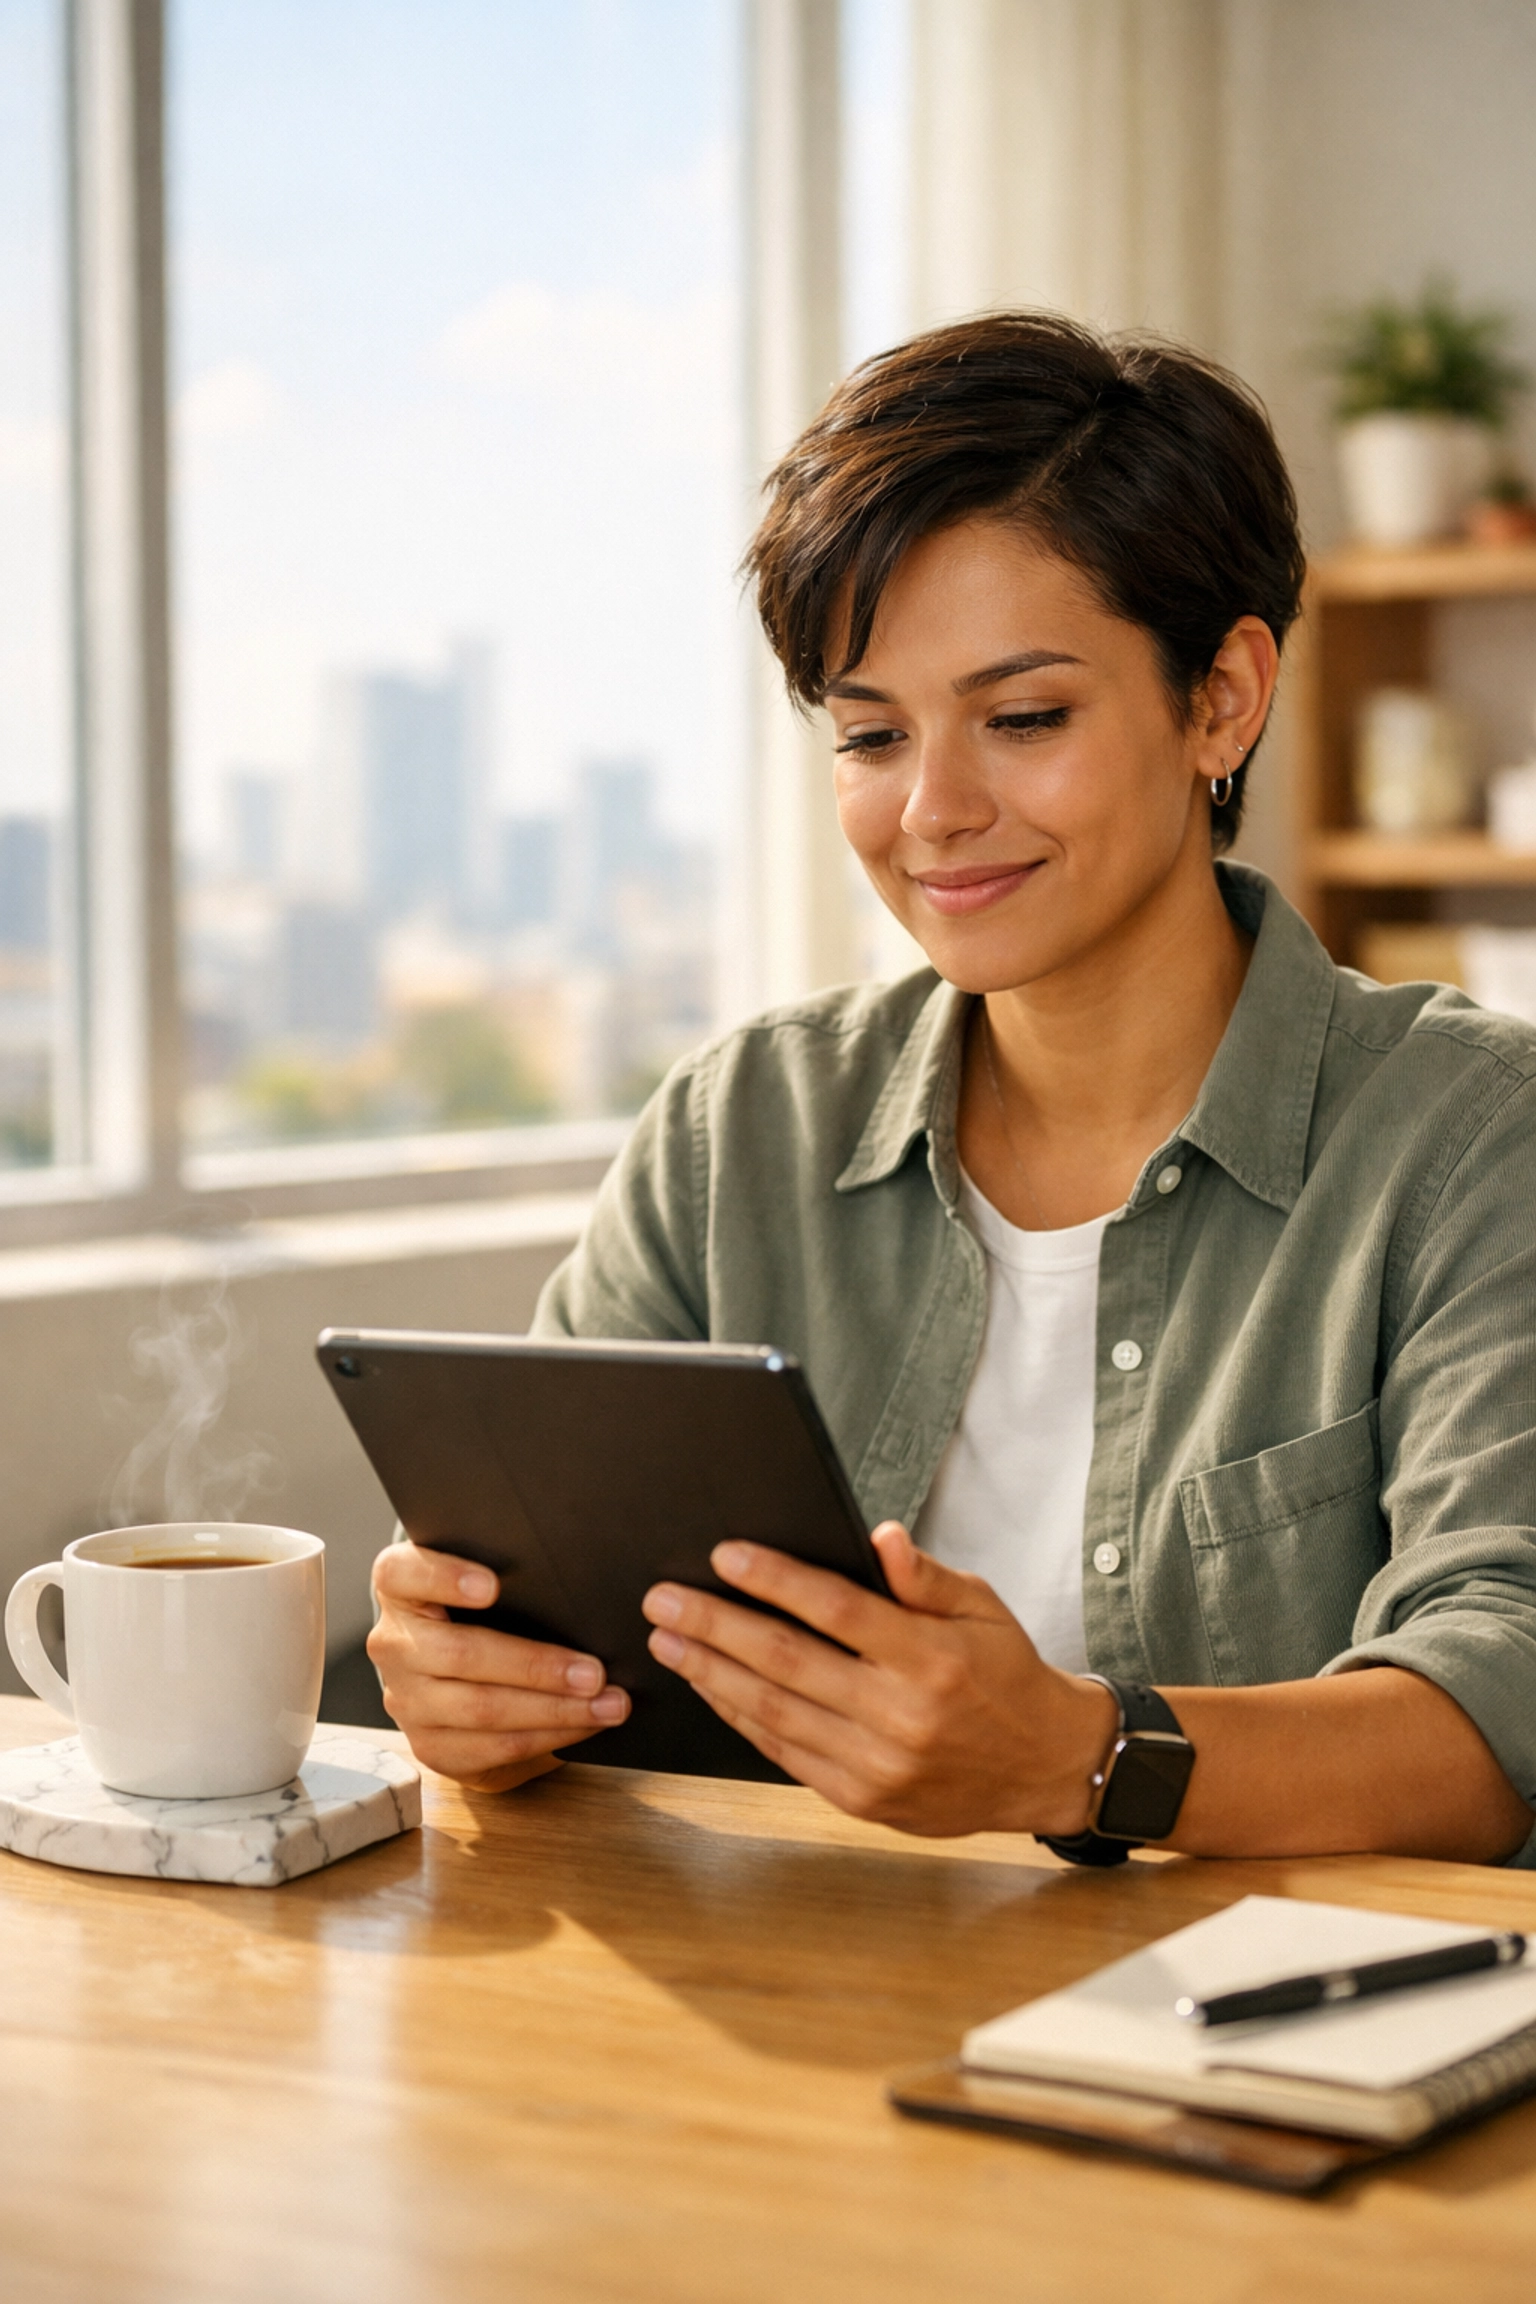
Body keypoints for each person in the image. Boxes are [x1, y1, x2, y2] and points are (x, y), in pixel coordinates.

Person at [370, 311, 1536, 1866]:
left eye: (1025, 717)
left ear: (1223, 699)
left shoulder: (1470, 1136)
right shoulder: (740, 1128)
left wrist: (1086, 1759)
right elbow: (544, 1597)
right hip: (800, 2011)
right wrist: (469, 1680)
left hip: (1273, 2042)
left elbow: (1504, 1690)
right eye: (870, 734)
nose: (933, 811)